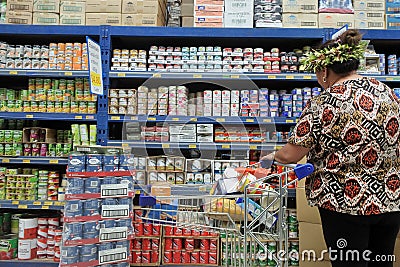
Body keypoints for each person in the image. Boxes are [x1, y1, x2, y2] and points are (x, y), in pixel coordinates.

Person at [262, 29, 400, 267]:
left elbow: (291, 154)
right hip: (390, 199)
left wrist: (271, 157)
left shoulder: (324, 102)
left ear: (324, 71)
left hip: (345, 202)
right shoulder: (386, 93)